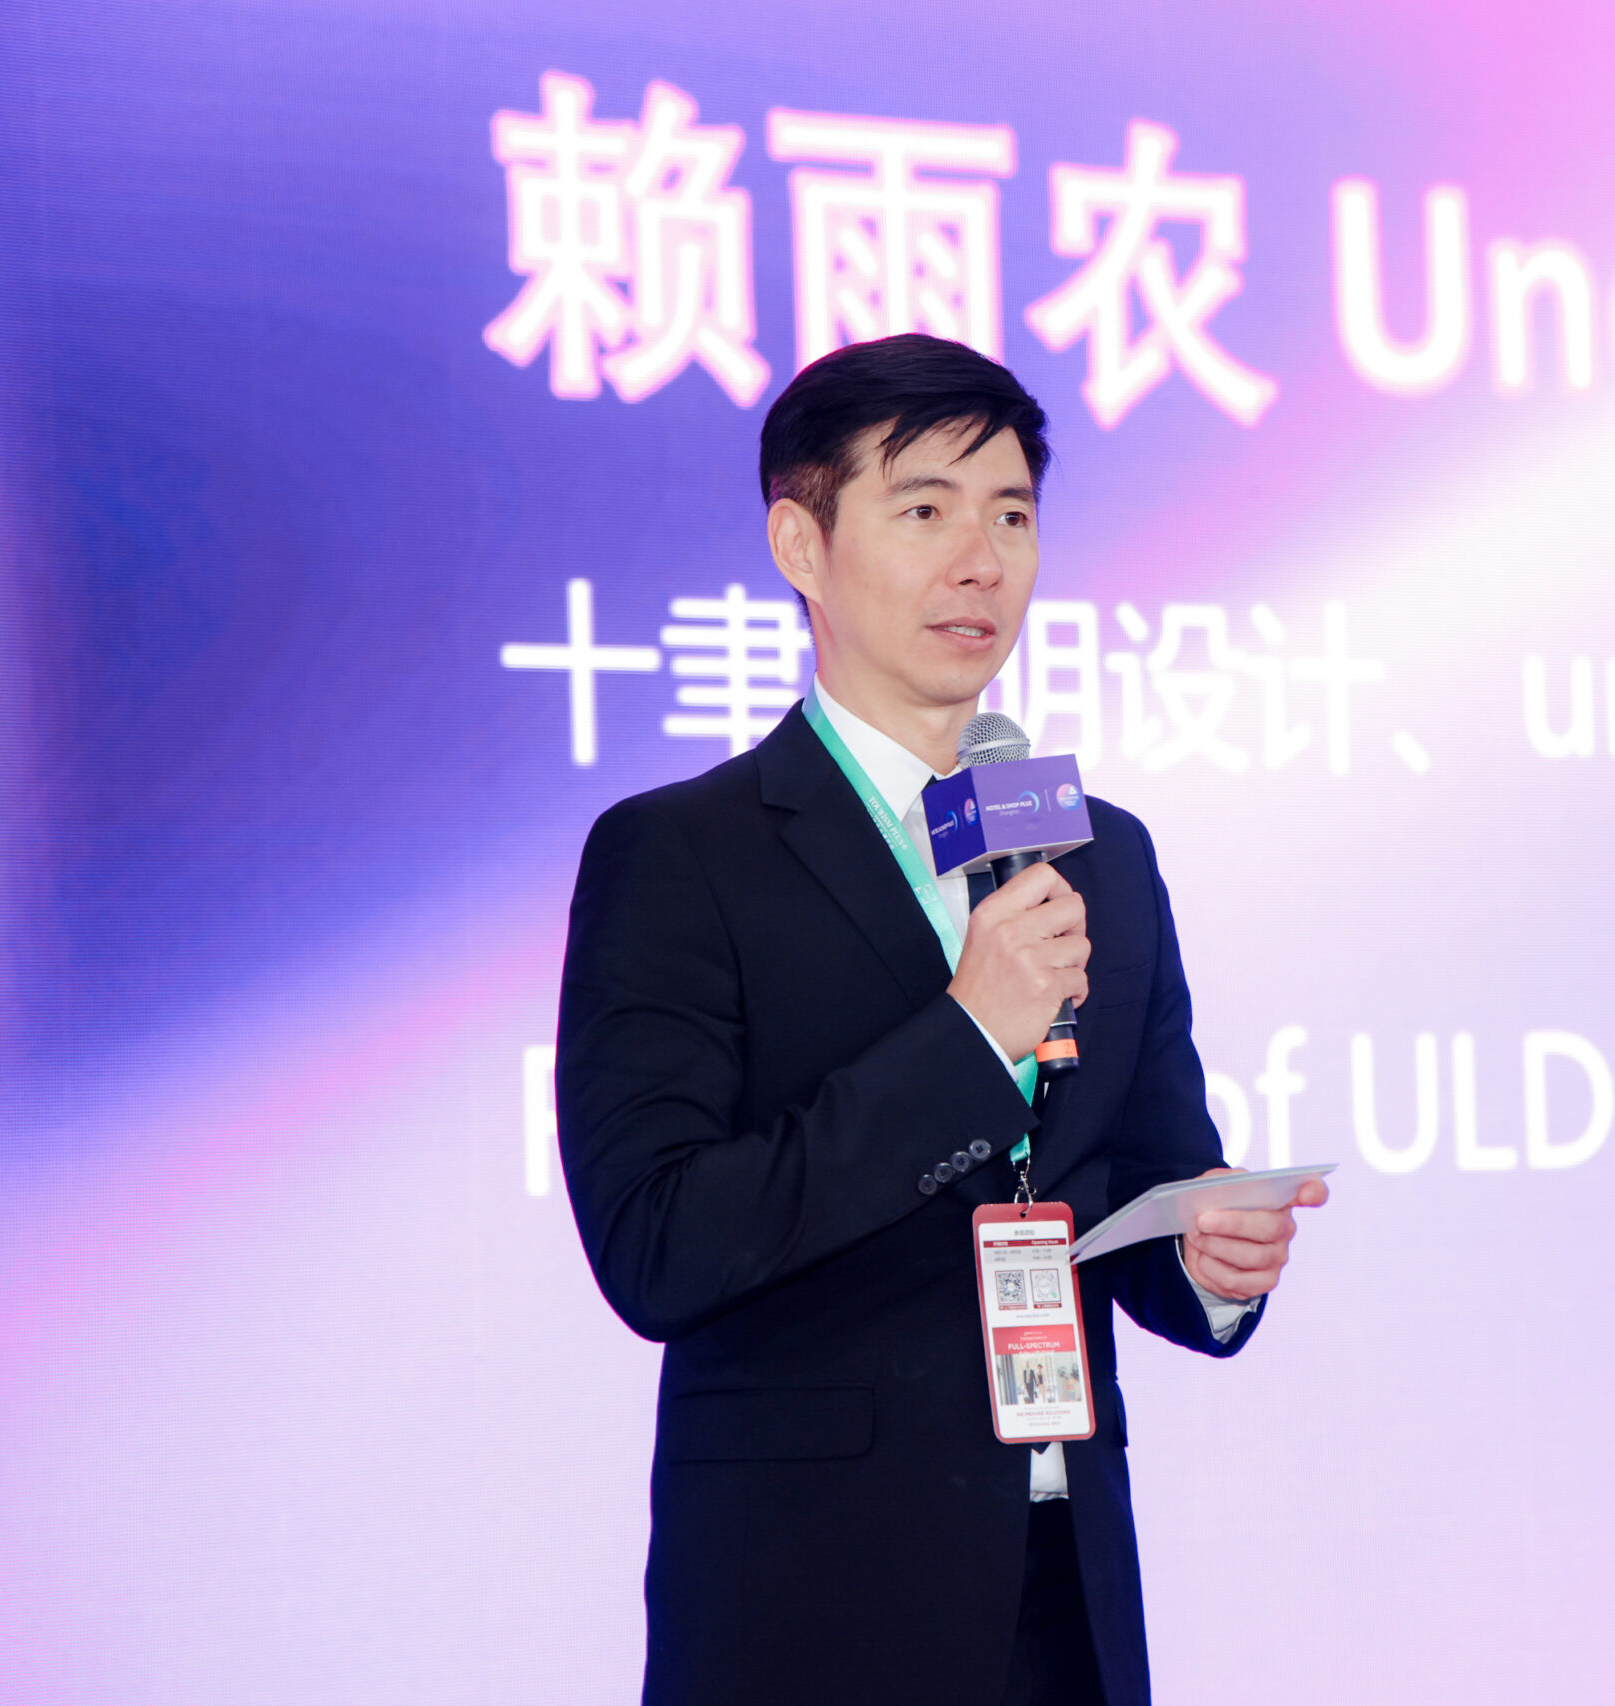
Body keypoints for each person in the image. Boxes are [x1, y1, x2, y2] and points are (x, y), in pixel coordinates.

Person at [556, 333, 1327, 1706]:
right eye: (925, 510)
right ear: (801, 543)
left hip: (1060, 1590)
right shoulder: (680, 855)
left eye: (1012, 516)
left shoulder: (1099, 853)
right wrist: (968, 1040)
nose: (981, 560)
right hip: (811, 1610)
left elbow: (1134, 1173)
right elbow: (658, 1244)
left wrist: (1209, 1252)